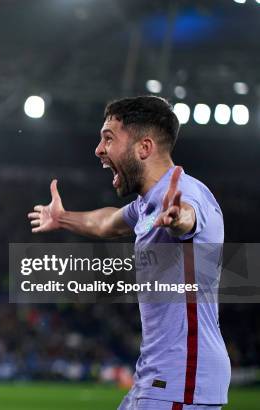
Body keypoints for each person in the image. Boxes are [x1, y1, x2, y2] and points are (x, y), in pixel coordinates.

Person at [28, 96, 230, 410]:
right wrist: (62, 218)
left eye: (108, 138)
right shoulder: (147, 204)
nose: (98, 149)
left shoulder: (184, 193)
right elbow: (107, 223)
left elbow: (188, 219)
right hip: (155, 378)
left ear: (144, 148)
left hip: (182, 382)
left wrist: (178, 218)